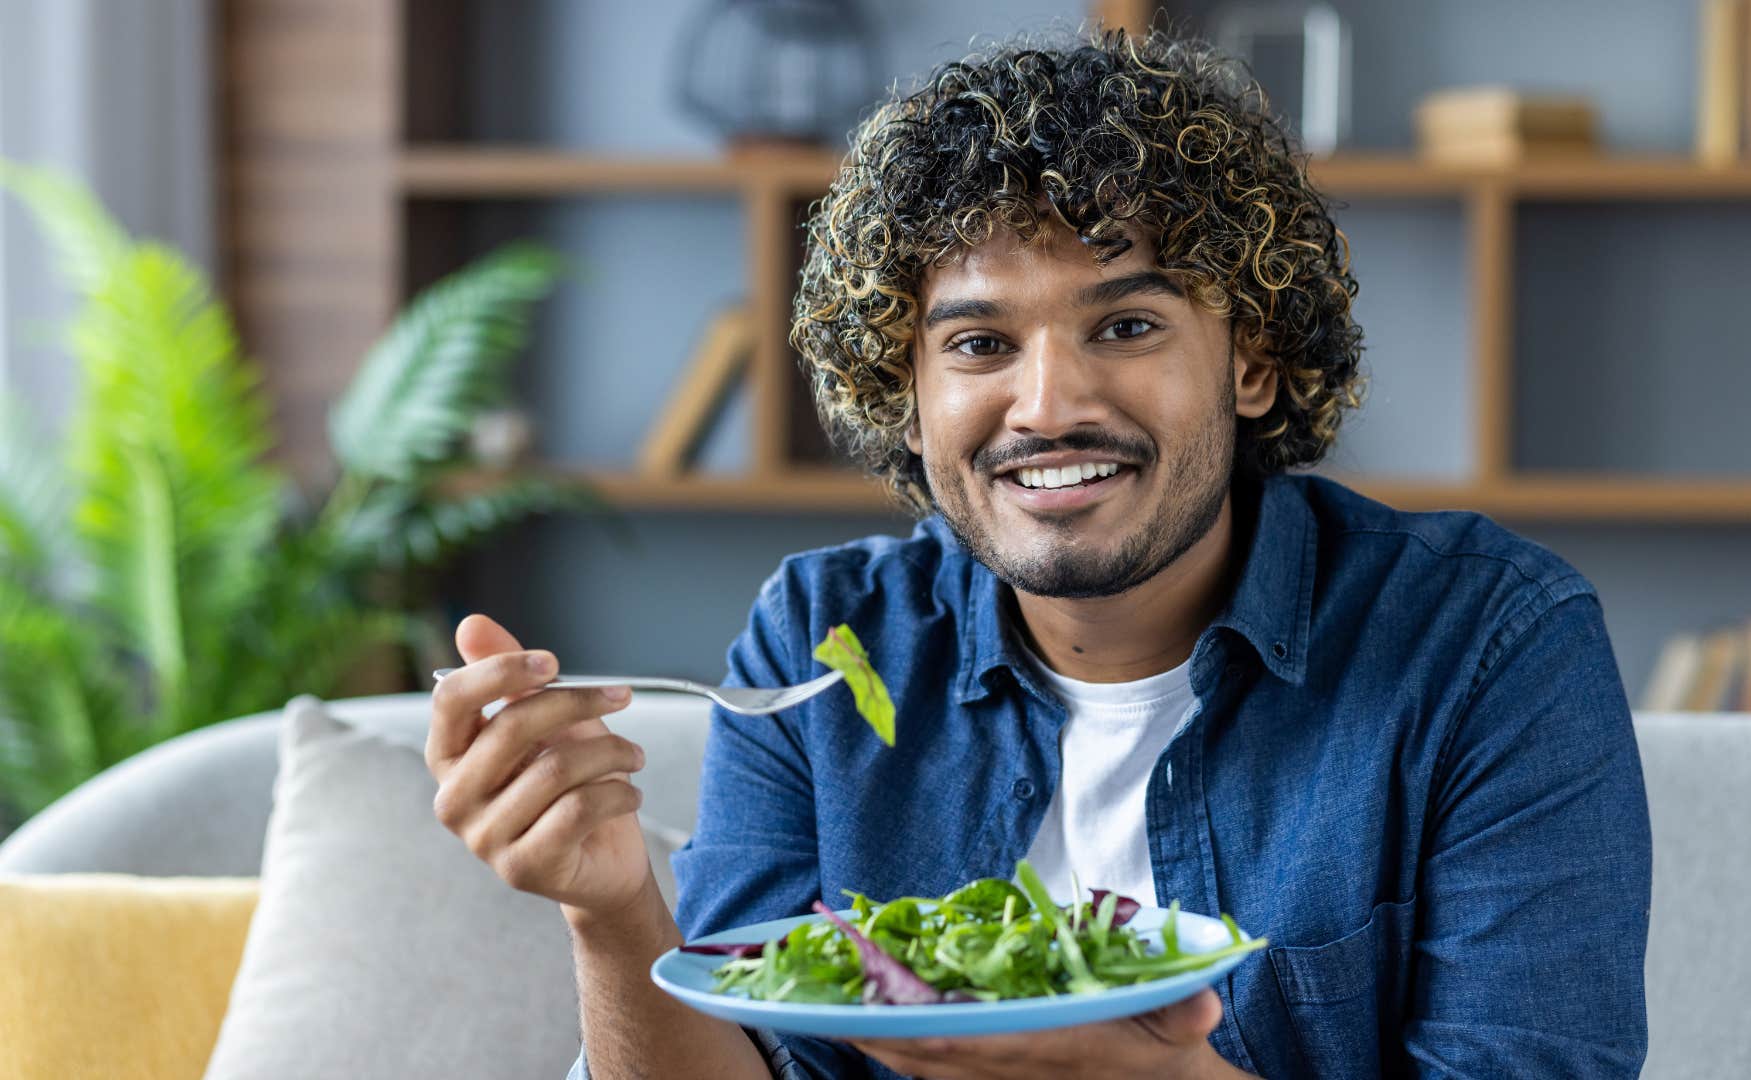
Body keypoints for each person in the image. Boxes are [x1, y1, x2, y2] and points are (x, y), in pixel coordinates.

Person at [426, 24, 1652, 1080]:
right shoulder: (822, 642)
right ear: (905, 397)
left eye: (1126, 324)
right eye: (977, 345)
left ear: (1255, 362)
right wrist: (612, 910)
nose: (1049, 404)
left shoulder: (1487, 647)